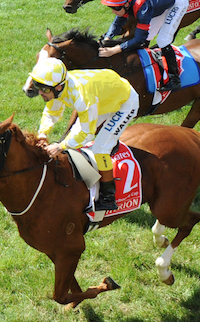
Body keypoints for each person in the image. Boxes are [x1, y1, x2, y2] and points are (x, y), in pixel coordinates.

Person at [26, 57, 139, 213]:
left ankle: (108, 197)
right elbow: (52, 112)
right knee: (73, 136)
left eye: (44, 89)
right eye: (38, 86)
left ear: (58, 88)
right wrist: (43, 133)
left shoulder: (81, 97)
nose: (40, 93)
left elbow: (86, 133)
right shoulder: (58, 88)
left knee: (100, 149)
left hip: (125, 103)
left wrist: (60, 146)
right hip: (102, 99)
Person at [98, 0, 189, 90]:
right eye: (111, 7)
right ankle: (142, 65)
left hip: (177, 1)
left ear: (127, 4)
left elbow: (138, 39)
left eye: (115, 8)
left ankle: (174, 79)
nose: (113, 11)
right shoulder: (127, 1)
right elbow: (117, 23)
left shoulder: (142, 7)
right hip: (159, 1)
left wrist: (114, 50)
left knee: (163, 40)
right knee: (148, 36)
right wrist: (107, 38)